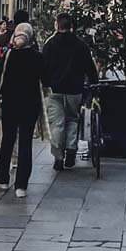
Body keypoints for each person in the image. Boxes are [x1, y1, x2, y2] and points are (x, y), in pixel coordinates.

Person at [41, 11, 98, 171]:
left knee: (57, 123)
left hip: (54, 90)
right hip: (75, 89)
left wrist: (46, 83)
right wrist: (93, 84)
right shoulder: (80, 45)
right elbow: (90, 68)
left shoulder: (49, 44)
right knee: (73, 119)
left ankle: (58, 157)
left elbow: (43, 67)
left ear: (57, 25)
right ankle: (71, 150)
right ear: (71, 26)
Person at [0, 21, 44, 197]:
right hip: (30, 105)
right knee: (25, 143)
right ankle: (21, 185)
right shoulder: (38, 57)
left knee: (7, 140)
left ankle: (2, 178)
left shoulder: (9, 56)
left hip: (9, 104)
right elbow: (45, 80)